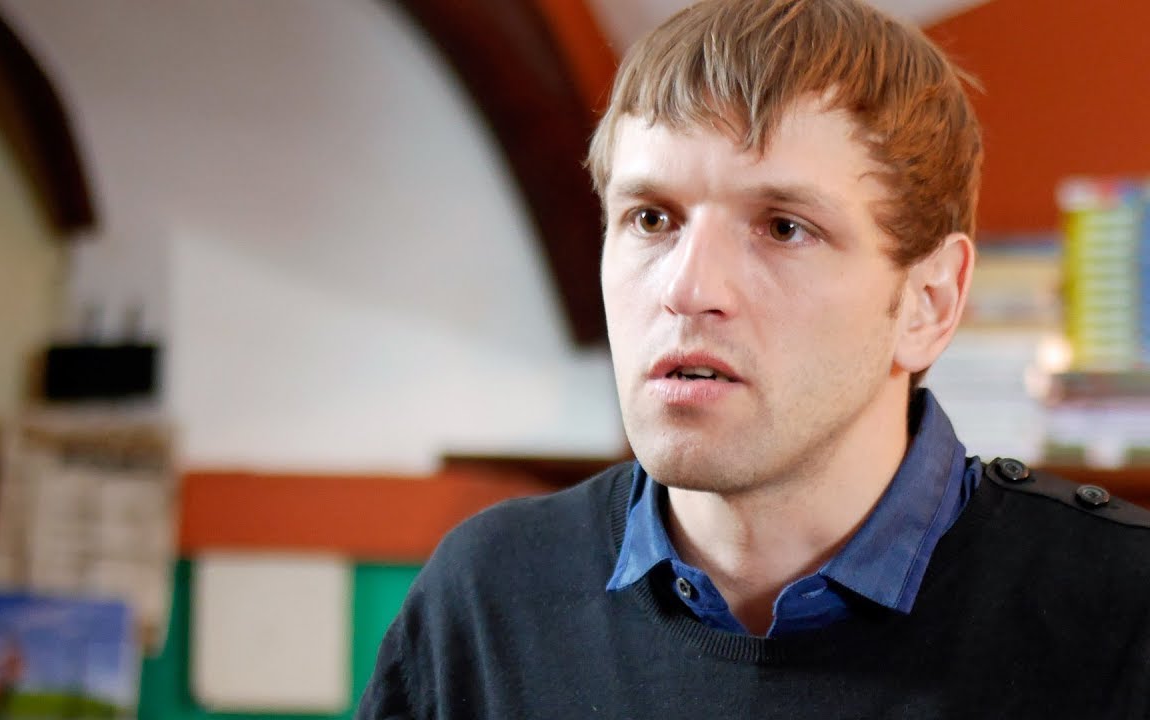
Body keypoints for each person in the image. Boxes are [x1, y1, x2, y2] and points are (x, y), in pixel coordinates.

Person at [357, 0, 1150, 717]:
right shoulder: (489, 600)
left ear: (929, 301)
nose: (687, 289)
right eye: (651, 219)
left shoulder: (1120, 613)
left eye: (782, 228)